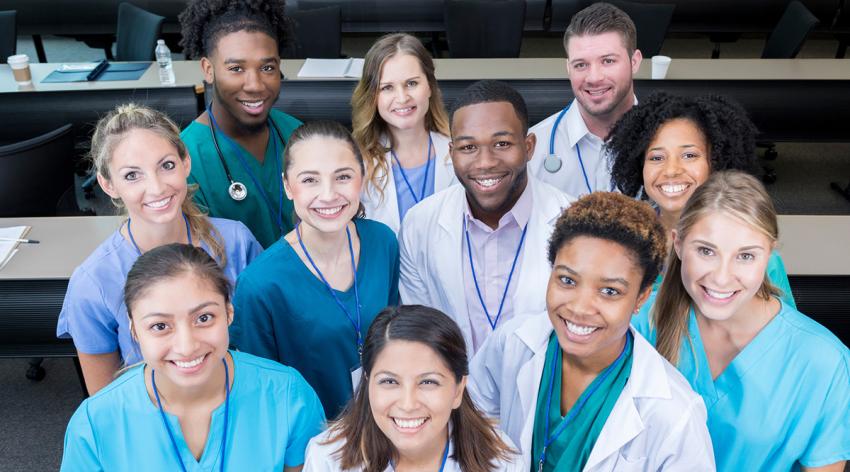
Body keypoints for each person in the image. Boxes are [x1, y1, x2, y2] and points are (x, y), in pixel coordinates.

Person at [469, 192, 715, 471]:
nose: (581, 307)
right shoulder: (513, 343)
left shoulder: (674, 414)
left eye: (610, 291)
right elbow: (471, 424)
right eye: (567, 280)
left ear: (641, 298)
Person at [633, 171, 849, 471]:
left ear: (770, 255)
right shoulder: (638, 324)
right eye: (706, 251)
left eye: (745, 256)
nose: (721, 277)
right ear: (678, 244)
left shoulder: (822, 361)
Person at [60, 243, 325, 471]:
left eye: (204, 318)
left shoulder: (289, 396)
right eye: (160, 326)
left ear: (229, 313)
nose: (187, 347)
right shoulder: (95, 423)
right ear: (134, 330)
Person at [56, 104, 262, 395]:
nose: (155, 188)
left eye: (166, 166)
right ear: (107, 184)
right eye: (132, 175)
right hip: (156, 424)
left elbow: (266, 340)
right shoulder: (93, 282)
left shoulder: (237, 241)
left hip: (243, 399)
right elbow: (104, 400)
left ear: (185, 163)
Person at [231, 121, 400, 419]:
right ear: (287, 185)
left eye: (343, 176)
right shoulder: (260, 285)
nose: (328, 194)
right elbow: (258, 395)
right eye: (310, 180)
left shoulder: (381, 241)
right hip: (314, 443)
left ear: (361, 177)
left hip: (387, 424)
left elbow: (396, 338)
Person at [400, 80, 573, 356]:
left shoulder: (574, 221)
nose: (485, 162)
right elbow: (420, 331)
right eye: (468, 147)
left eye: (502, 143)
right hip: (457, 393)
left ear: (529, 147)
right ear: (452, 153)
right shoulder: (419, 224)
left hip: (544, 391)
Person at [606, 91, 796, 306]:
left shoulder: (753, 251)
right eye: (657, 157)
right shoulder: (623, 241)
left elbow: (782, 330)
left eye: (689, 155)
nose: (671, 170)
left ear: (716, 161)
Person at [303, 304, 523, 472]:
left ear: (458, 390)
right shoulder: (327, 460)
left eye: (428, 382)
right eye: (389, 382)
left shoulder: (502, 463)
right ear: (368, 383)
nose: (408, 404)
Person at [178, 0, 300, 248]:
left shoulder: (296, 134)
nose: (255, 84)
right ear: (208, 70)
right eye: (236, 68)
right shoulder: (184, 161)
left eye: (267, 67)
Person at [527, 2, 641, 197]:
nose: (594, 78)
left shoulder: (670, 139)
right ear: (568, 68)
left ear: (634, 62)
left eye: (608, 61)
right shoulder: (534, 150)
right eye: (581, 65)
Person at [352, 33, 456, 234]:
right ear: (372, 96)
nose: (402, 98)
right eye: (387, 87)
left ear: (430, 86)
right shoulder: (356, 162)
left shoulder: (458, 152)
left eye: (411, 83)